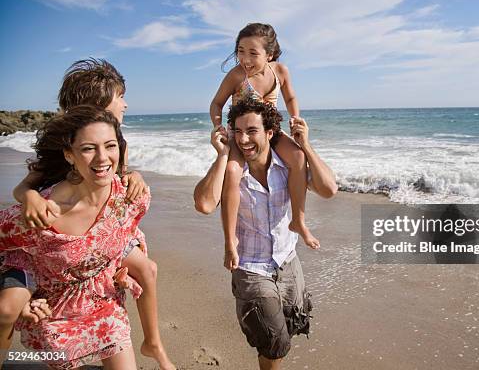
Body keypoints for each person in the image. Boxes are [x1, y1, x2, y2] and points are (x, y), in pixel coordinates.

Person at [0, 59, 175, 370]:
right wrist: (29, 198)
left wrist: (135, 176)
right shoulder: (62, 147)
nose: (125, 102)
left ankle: (153, 342)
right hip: (46, 237)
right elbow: (24, 188)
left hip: (106, 227)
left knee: (147, 269)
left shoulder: (114, 139)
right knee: (10, 308)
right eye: (119, 95)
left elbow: (119, 172)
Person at [194, 100, 337, 370]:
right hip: (250, 267)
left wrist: (305, 145)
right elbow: (203, 204)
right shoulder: (233, 172)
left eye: (251, 131)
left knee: (291, 326)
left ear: (270, 133)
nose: (243, 139)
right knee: (274, 343)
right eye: (237, 131)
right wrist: (222, 155)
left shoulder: (288, 167)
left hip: (287, 260)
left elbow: (329, 189)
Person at [210, 23, 320, 252]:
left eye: (253, 53)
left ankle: (298, 220)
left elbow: (290, 98)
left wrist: (295, 117)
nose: (245, 58)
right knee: (232, 171)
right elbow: (217, 103)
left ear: (269, 54)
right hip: (240, 135)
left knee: (299, 157)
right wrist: (218, 126)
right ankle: (230, 239)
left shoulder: (279, 71)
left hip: (270, 131)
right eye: (240, 51)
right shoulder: (236, 75)